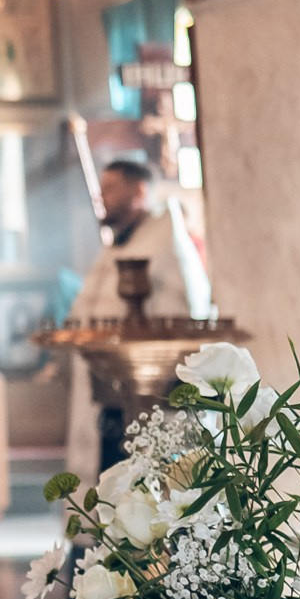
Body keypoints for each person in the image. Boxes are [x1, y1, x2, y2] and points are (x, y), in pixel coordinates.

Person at [63, 155, 210, 475]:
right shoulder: (120, 244)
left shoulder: (165, 245)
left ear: (139, 192)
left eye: (111, 189)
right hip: (108, 394)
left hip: (149, 398)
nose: (102, 198)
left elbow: (183, 317)